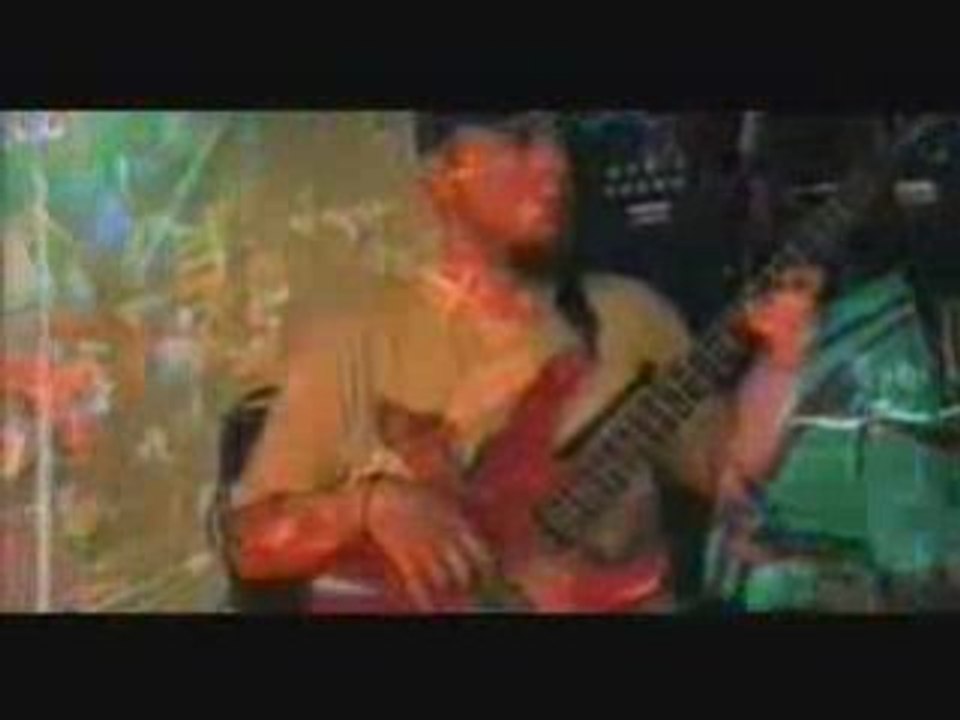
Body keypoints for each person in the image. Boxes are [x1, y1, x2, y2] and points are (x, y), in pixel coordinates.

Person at [222, 114, 822, 613]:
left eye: (557, 139)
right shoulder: (356, 338)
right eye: (519, 140)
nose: (555, 164)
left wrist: (782, 361)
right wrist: (367, 506)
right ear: (441, 176)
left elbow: (731, 474)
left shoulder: (630, 315)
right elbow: (248, 543)